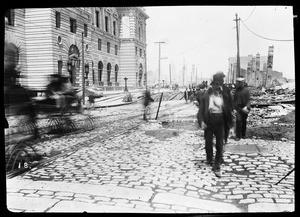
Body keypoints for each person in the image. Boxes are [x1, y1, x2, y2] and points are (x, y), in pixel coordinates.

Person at [198, 72, 233, 177]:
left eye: (220, 84)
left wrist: (231, 125)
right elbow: (200, 111)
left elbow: (228, 110)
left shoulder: (225, 95)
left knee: (219, 144)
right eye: (217, 84)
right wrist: (202, 121)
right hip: (209, 121)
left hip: (220, 122)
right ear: (213, 84)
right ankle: (209, 158)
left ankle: (217, 165)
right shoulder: (206, 95)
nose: (218, 86)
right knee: (208, 143)